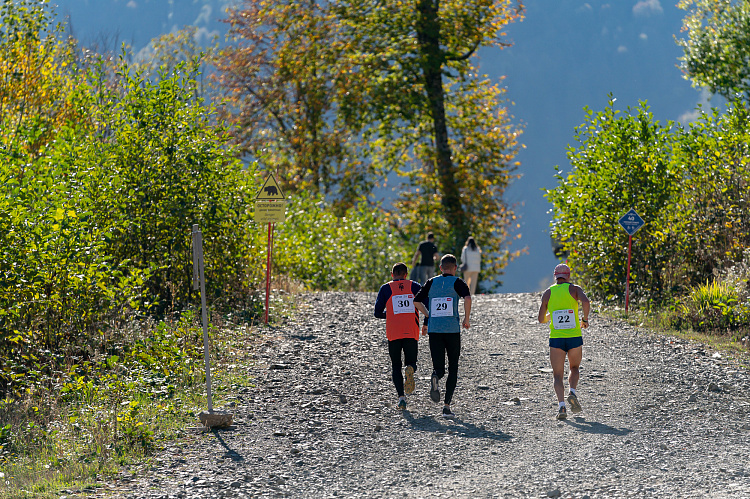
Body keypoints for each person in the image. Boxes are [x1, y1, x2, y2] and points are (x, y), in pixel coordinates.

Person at [413, 254, 471, 418]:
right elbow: (467, 297)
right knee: (453, 367)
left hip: (434, 330)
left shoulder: (431, 282)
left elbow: (416, 301)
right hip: (452, 330)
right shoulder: (458, 282)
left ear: (440, 268)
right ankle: (446, 407)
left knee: (439, 367)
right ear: (455, 267)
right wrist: (466, 318)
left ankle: (435, 376)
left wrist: (429, 315)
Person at [537, 263, 591, 420]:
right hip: (574, 337)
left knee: (557, 375)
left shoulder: (548, 293)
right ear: (568, 276)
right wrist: (585, 319)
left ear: (555, 276)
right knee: (574, 368)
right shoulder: (575, 289)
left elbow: (541, 319)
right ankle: (572, 392)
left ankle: (561, 407)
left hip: (556, 339)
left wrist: (550, 316)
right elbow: (586, 302)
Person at [374, 262, 423, 411]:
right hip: (411, 330)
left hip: (394, 332)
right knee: (411, 362)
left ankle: (401, 398)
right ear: (406, 274)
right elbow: (425, 303)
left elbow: (377, 312)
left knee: (395, 365)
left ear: (392, 274)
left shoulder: (386, 288)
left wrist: (389, 315)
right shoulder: (414, 286)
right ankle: (410, 369)